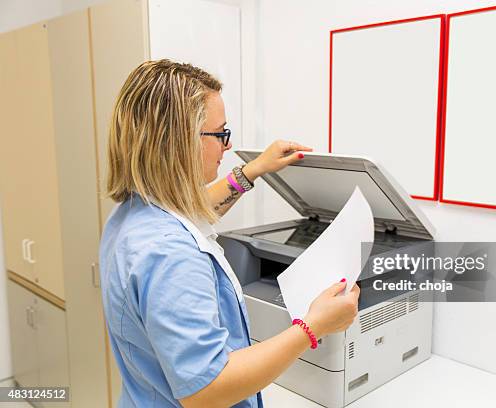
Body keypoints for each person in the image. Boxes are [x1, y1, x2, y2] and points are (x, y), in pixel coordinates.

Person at [99, 59, 360, 408]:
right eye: (221, 133)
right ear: (180, 141)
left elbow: (193, 209)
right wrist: (312, 328)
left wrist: (252, 170)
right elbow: (207, 389)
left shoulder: (134, 213)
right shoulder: (170, 254)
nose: (227, 145)